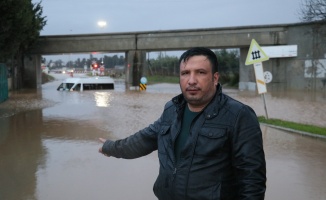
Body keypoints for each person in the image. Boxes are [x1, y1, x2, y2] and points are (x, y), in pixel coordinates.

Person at [99, 47, 266, 200]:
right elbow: (145, 139)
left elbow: (252, 181)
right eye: (185, 73)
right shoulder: (172, 110)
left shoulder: (239, 115)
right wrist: (111, 147)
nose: (191, 80)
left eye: (200, 72)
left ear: (215, 78)